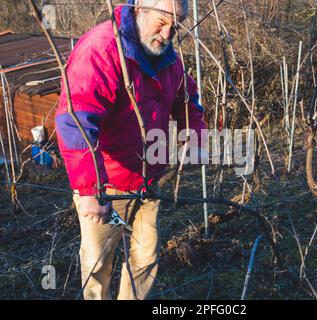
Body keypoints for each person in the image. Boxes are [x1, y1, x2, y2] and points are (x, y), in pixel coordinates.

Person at [55, 0, 206, 300]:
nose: (167, 34)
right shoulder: (101, 49)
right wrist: (90, 188)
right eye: (162, 22)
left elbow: (187, 99)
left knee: (145, 259)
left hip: (149, 181)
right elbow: (76, 121)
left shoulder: (166, 58)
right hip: (107, 187)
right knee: (98, 263)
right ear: (139, 9)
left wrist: (195, 135)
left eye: (175, 26)